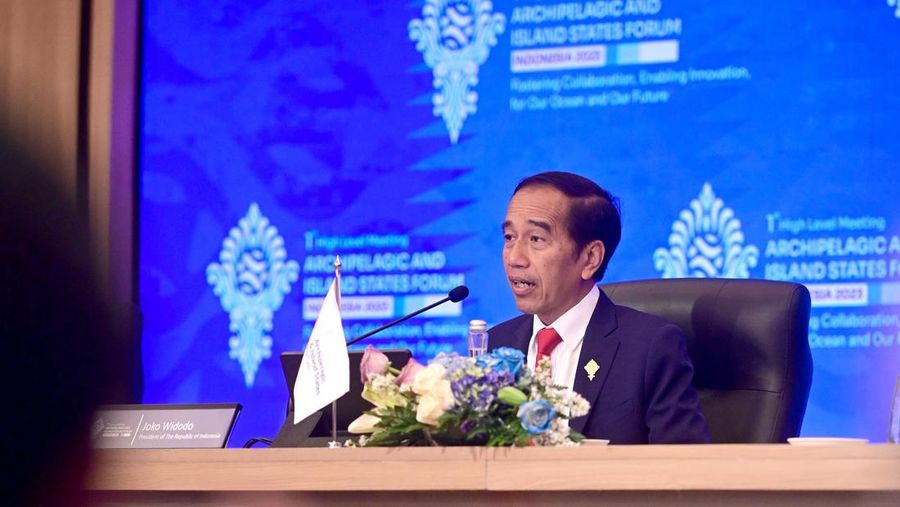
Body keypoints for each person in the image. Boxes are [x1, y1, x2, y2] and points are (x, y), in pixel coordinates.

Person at [489, 171, 710, 444]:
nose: (514, 257)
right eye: (509, 237)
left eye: (536, 239)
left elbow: (682, 463)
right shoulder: (495, 346)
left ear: (590, 258)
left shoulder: (648, 348)